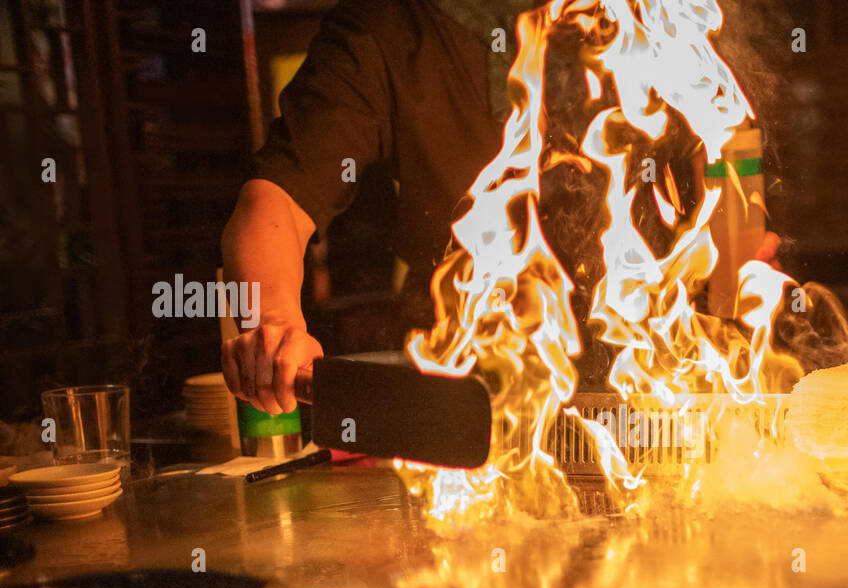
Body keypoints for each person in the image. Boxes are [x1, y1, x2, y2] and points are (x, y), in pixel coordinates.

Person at [221, 0, 784, 415]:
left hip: (661, 382)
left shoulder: (656, 13)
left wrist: (737, 286)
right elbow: (276, 197)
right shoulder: (385, 30)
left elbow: (734, 150)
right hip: (468, 397)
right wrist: (272, 322)